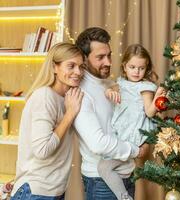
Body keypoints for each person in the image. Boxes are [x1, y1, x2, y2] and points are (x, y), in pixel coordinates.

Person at [74, 27, 148, 200]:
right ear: (84, 59)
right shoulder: (81, 93)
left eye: (109, 55)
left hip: (127, 174)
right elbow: (98, 143)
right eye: (100, 57)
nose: (108, 62)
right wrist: (136, 151)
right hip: (101, 182)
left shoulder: (111, 83)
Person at [10, 42, 84, 200]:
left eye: (81, 66)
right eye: (71, 66)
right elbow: (42, 150)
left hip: (53, 191)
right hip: (36, 191)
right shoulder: (44, 96)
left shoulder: (68, 98)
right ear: (54, 67)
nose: (78, 72)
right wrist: (69, 114)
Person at [97, 44, 165, 200]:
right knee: (115, 168)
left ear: (146, 68)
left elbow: (149, 111)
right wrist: (109, 91)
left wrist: (157, 98)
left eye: (141, 68)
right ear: (124, 66)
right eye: (132, 67)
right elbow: (112, 88)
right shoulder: (120, 83)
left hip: (133, 133)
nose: (136, 71)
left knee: (103, 167)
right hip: (120, 132)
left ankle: (124, 197)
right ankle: (125, 192)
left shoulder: (146, 87)